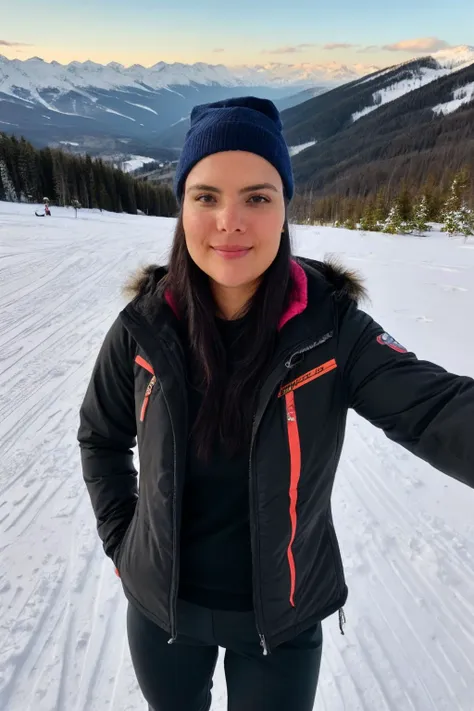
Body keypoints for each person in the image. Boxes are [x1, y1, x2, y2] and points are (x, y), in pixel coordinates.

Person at [78, 96, 474, 711]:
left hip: (281, 626)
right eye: (206, 196)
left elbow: (438, 409)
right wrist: (123, 545)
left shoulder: (332, 330)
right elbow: (100, 437)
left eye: (257, 197)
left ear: (286, 207)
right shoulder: (145, 327)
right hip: (162, 615)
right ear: (181, 207)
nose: (230, 221)